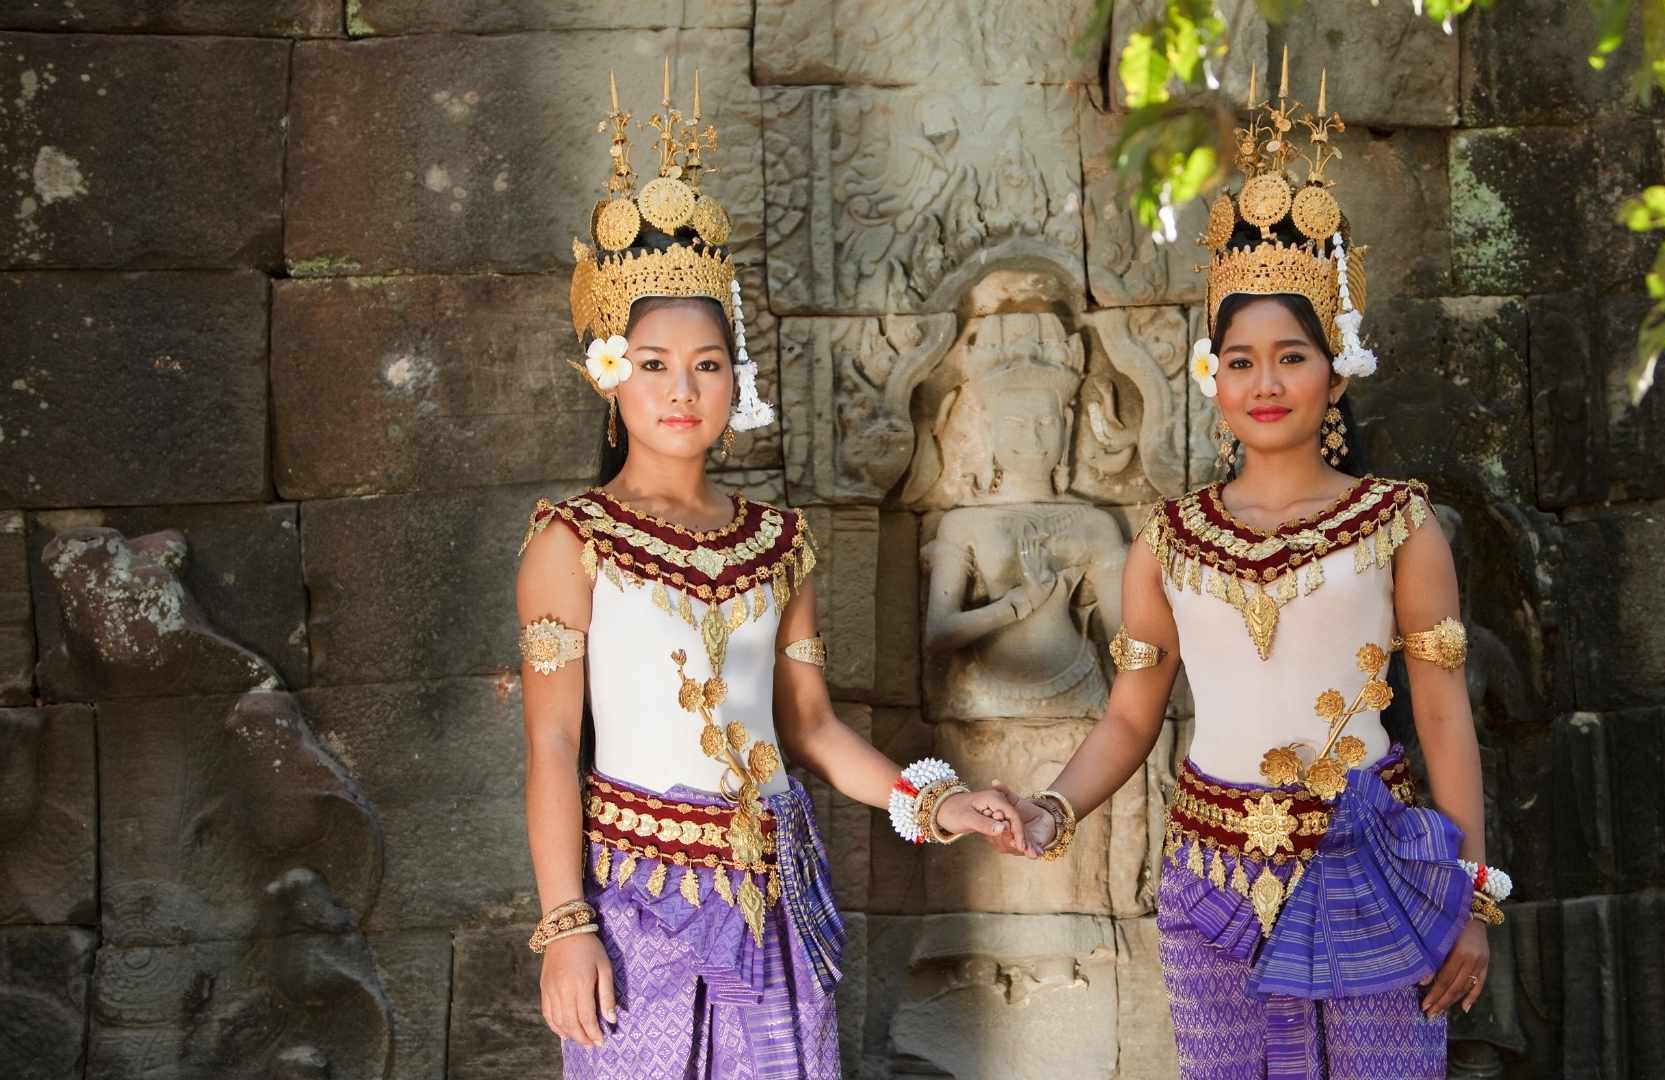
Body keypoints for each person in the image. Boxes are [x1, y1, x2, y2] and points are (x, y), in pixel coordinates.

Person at [992, 55, 1512, 1079]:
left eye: (1291, 356)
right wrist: (1055, 805)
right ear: (1213, 381)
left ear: (1335, 367)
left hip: (1377, 866)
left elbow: (1443, 715)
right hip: (1210, 886)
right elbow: (1134, 718)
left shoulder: (1398, 525)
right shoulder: (1169, 538)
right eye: (1241, 361)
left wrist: (1473, 900)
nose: (1265, 381)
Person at [515, 67, 1025, 1079]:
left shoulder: (777, 541)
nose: (682, 388)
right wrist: (566, 924)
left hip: (769, 896)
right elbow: (549, 743)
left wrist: (937, 802)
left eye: (707, 363)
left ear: (734, 378)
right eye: (653, 364)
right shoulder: (570, 542)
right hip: (633, 907)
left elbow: (812, 729)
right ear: (608, 372)